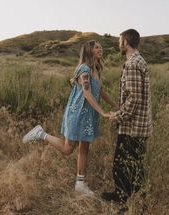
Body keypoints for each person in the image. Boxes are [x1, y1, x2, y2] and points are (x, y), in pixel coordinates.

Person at [22, 40, 117, 196]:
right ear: (89, 51)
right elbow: (87, 93)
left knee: (85, 148)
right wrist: (103, 112)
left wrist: (115, 105)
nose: (101, 49)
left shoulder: (96, 69)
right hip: (78, 113)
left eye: (101, 47)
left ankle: (80, 184)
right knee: (68, 149)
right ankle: (40, 134)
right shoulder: (84, 69)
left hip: (89, 115)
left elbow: (99, 91)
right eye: (97, 47)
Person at [101, 29, 153, 208]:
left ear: (125, 43)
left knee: (123, 165)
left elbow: (133, 98)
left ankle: (126, 200)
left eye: (119, 40)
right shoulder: (139, 61)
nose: (118, 43)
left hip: (133, 126)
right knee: (134, 166)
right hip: (139, 125)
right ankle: (130, 200)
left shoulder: (132, 64)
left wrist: (118, 116)